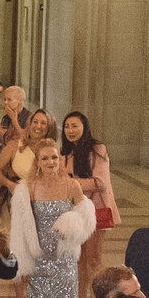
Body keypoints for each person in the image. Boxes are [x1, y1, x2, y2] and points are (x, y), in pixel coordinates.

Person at [7, 142, 96, 298]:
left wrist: (72, 226)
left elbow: (85, 220)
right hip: (38, 265)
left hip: (64, 265)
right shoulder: (28, 187)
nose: (50, 163)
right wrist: (24, 262)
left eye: (54, 158)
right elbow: (19, 229)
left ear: (61, 160)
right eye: (45, 158)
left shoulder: (71, 186)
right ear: (37, 161)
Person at [59, 111, 115, 277]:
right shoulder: (65, 152)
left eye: (75, 126)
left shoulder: (97, 149)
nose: (70, 130)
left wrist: (72, 185)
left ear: (84, 127)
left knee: (93, 258)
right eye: (67, 127)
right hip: (74, 211)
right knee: (78, 258)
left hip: (96, 209)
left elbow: (100, 182)